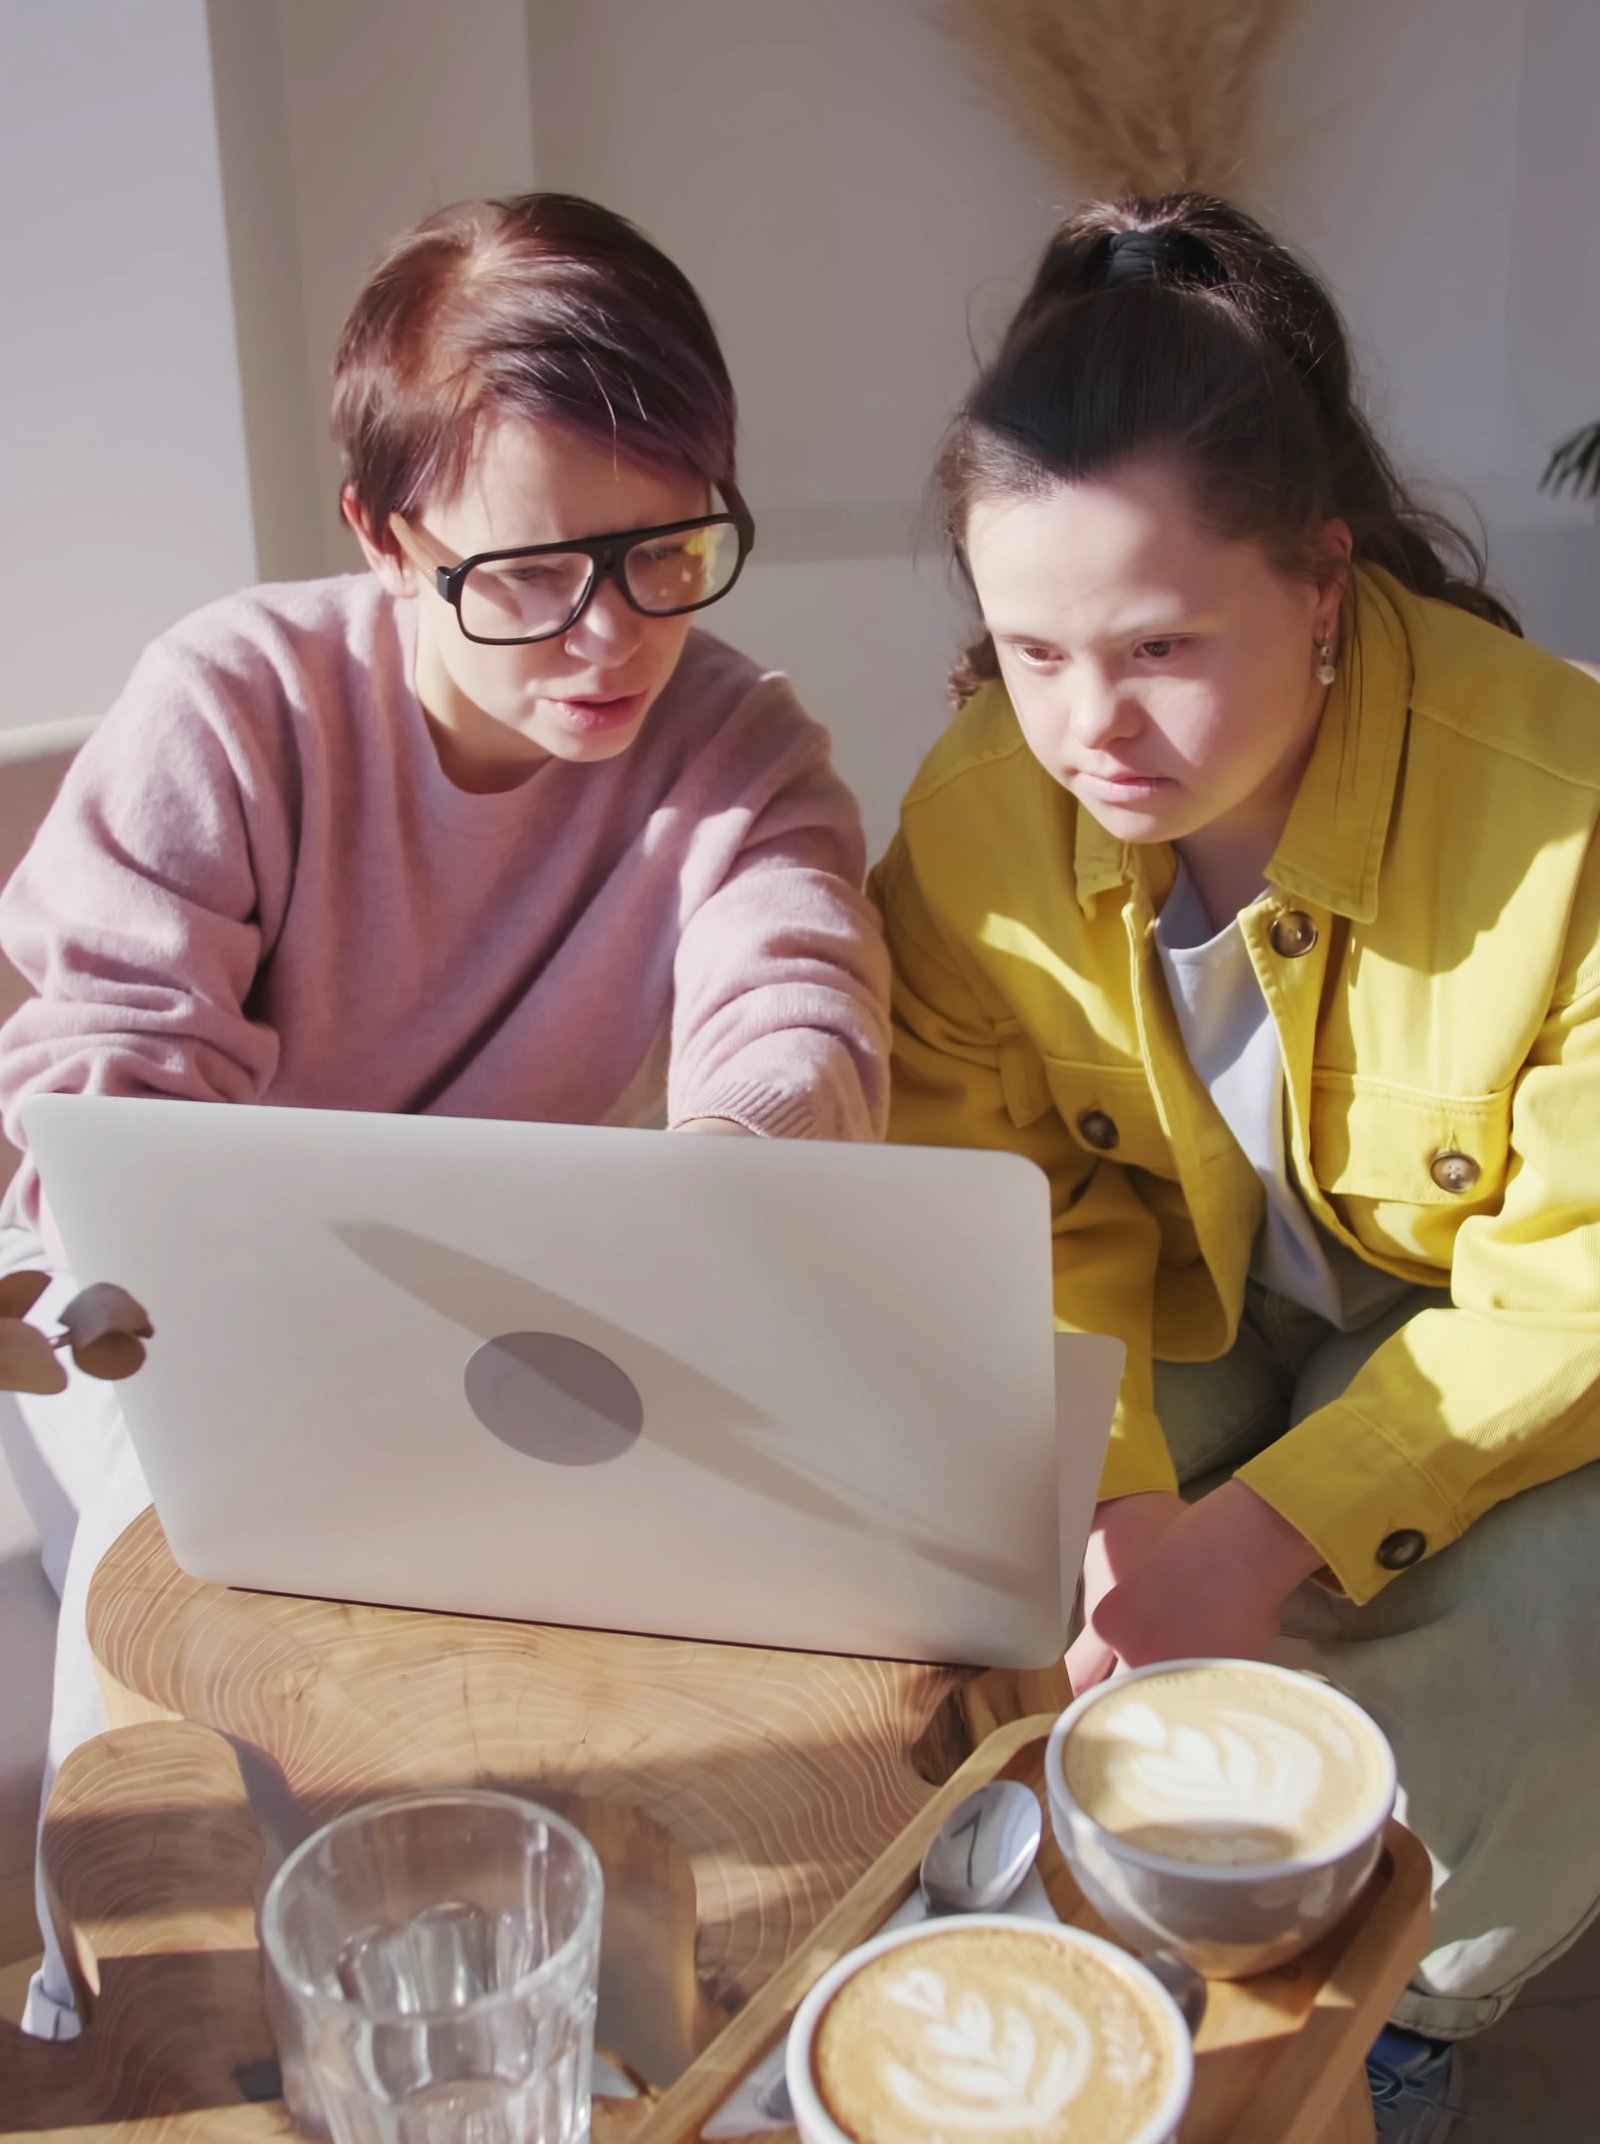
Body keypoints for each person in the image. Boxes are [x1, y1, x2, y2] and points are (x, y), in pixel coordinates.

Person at [0, 191, 890, 2037]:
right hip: (154, 1295)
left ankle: (595, 2007)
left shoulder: (738, 749)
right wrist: (262, 1305)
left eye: (669, 552)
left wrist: (722, 1183)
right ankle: (142, 2009)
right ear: (387, 536)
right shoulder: (233, 701)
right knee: (191, 1528)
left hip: (516, 1293)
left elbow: (794, 1003)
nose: (610, 636)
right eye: (535, 573)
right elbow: (110, 1079)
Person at [875, 192, 1600, 2140]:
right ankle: (1092, 1919)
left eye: (1159, 645)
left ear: (1320, 582)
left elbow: (1571, 1278)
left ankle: (1401, 2001)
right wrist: (1113, 1504)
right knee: (980, 1525)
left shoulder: (1562, 800)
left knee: (1554, 1593)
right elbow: (984, 1207)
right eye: (1025, 649)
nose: (1086, 726)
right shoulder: (970, 817)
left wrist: (1263, 1531)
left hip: (1483, 1324)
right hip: (1170, 1304)